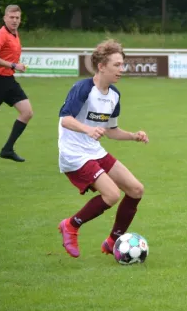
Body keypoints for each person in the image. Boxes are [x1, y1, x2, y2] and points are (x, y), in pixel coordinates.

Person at [57, 39, 149, 258]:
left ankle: (113, 241)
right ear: (101, 66)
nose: (121, 69)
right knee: (111, 194)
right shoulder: (83, 88)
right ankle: (71, 225)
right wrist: (88, 130)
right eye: (116, 65)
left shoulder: (114, 95)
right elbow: (65, 119)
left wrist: (134, 136)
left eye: (122, 65)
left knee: (136, 189)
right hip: (74, 152)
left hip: (93, 150)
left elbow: (111, 130)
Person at [0, 5, 33, 162]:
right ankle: (7, 149)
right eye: (12, 17)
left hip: (8, 81)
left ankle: (7, 149)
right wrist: (13, 65)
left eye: (17, 18)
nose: (15, 20)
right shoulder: (1, 35)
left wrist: (16, 65)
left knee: (27, 112)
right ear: (5, 18)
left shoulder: (15, 34)